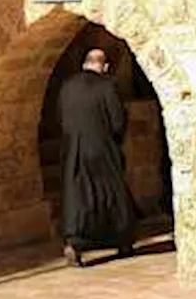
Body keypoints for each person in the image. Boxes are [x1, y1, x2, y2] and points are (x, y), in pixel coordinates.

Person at [58, 48, 141, 267]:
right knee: (111, 193)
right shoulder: (107, 86)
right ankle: (122, 239)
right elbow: (117, 121)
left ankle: (74, 242)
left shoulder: (67, 87)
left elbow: (62, 119)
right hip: (102, 149)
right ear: (104, 67)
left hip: (74, 150)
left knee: (77, 196)